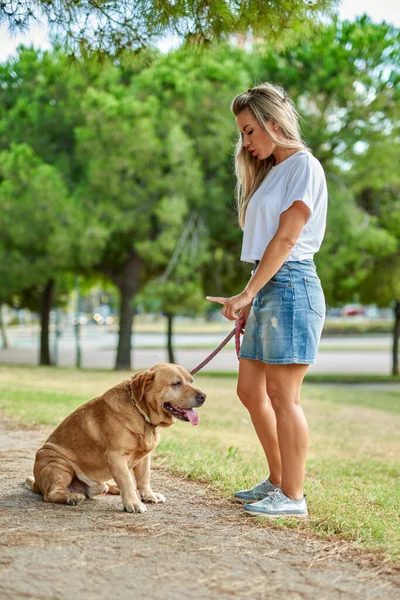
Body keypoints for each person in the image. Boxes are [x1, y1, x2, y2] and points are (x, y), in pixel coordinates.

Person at [207, 83, 327, 518]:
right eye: (241, 134)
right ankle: (277, 480)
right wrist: (251, 294)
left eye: (249, 131)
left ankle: (293, 497)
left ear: (274, 124)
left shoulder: (303, 166)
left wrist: (248, 293)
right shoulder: (273, 172)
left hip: (290, 284)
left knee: (283, 395)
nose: (245, 142)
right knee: (249, 389)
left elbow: (288, 237)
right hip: (267, 283)